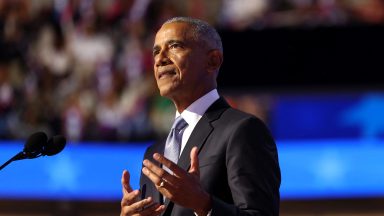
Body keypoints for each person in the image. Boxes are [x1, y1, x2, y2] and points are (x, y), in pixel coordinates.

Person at [120, 17, 281, 216]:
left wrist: (204, 205)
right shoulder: (153, 154)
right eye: (156, 51)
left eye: (174, 46)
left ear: (212, 61)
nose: (160, 59)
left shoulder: (243, 130)